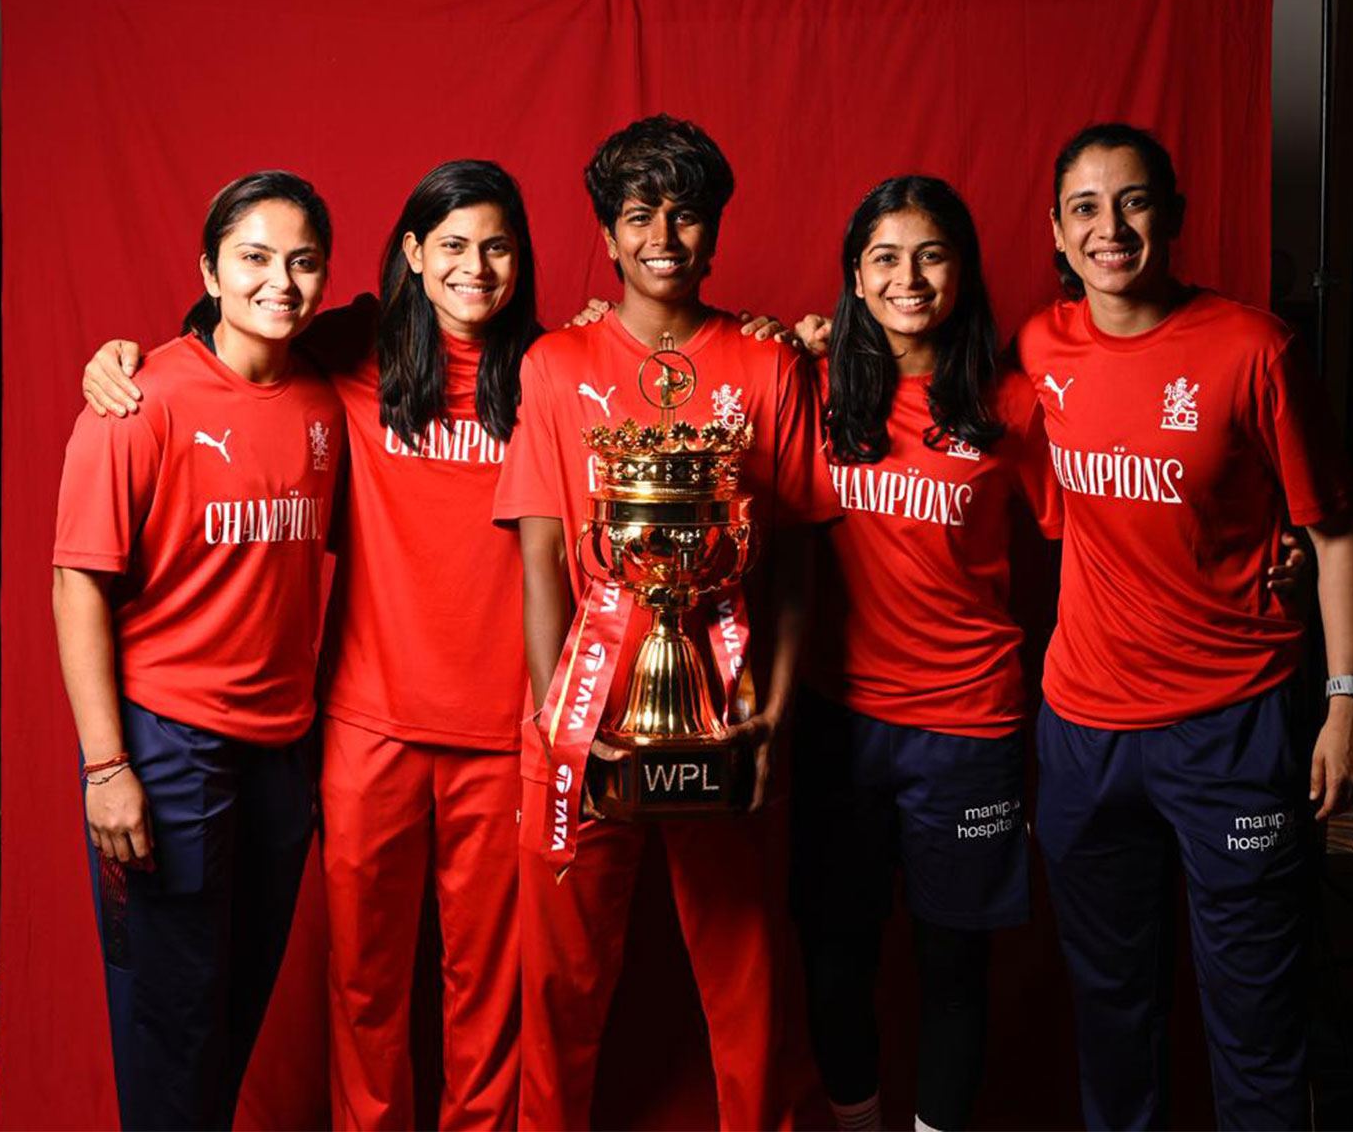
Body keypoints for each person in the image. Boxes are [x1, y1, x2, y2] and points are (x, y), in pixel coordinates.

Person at [79, 159, 541, 1130]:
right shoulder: (349, 346)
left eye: (496, 246)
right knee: (357, 989)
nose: (473, 267)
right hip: (361, 725)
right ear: (411, 255)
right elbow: (237, 338)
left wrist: (783, 341)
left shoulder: (549, 373)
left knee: (488, 997)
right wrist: (123, 358)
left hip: (500, 731)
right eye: (451, 245)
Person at [1019, 123, 1353, 1130]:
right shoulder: (1040, 347)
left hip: (1231, 727)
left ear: (1169, 216)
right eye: (1084, 207)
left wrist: (1347, 703)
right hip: (1082, 732)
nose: (1108, 226)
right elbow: (923, 383)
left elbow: (1333, 533)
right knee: (1111, 1013)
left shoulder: (1253, 349)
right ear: (1056, 229)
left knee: (1257, 1023)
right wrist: (812, 339)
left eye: (1131, 201)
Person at [493, 114, 836, 1130]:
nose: (663, 238)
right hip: (586, 709)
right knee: (558, 976)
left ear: (714, 230)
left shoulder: (769, 365)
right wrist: (564, 720)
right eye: (639, 216)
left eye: (685, 217)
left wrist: (772, 716)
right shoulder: (555, 365)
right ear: (606, 235)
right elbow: (543, 557)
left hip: (726, 703)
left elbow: (797, 560)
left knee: (746, 965)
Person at [53, 170, 344, 1130]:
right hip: (167, 745)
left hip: (280, 750)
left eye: (303, 262)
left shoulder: (325, 398)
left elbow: (450, 313)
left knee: (235, 1007)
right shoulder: (136, 401)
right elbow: (77, 585)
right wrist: (107, 767)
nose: (281, 283)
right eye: (255, 259)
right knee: (171, 1018)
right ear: (210, 273)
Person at [792, 176, 1059, 1132]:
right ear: (855, 279)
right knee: (835, 956)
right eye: (887, 258)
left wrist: (1261, 554)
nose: (910, 278)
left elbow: (1116, 519)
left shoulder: (1016, 405)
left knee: (953, 968)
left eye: (932, 254)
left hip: (967, 725)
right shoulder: (808, 390)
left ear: (964, 271)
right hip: (838, 717)